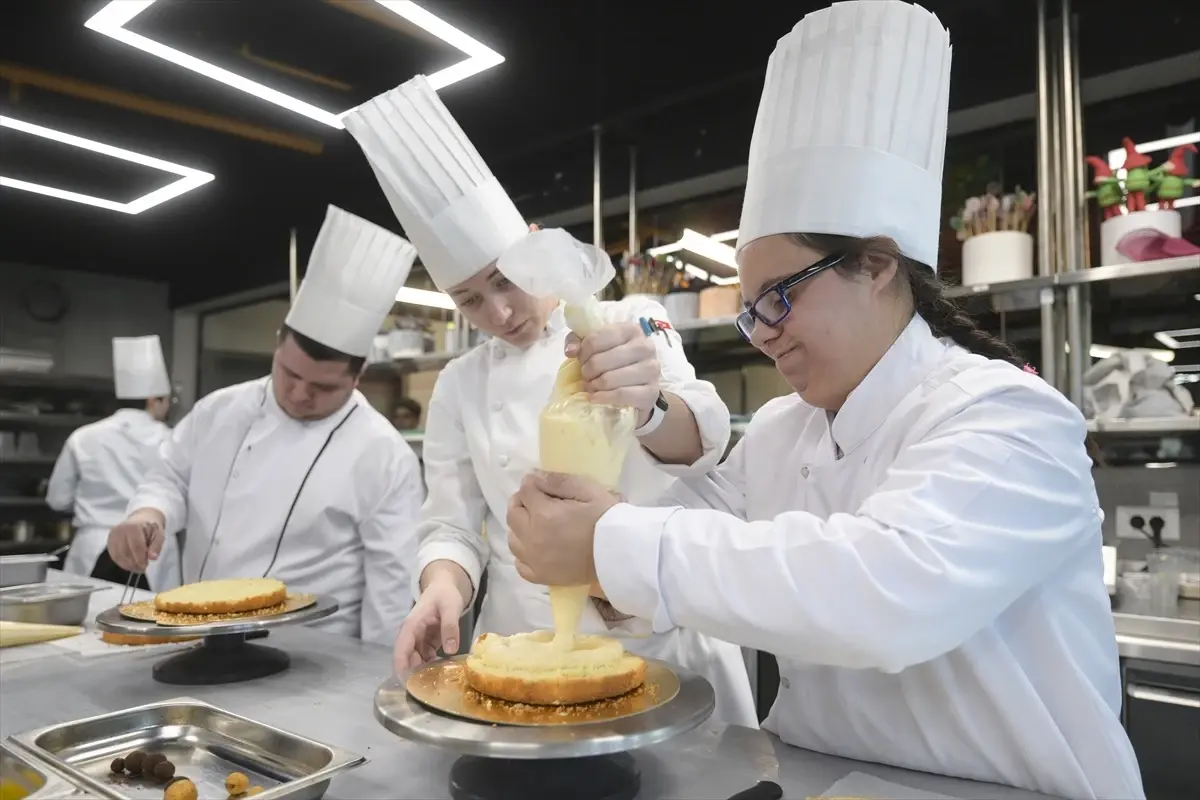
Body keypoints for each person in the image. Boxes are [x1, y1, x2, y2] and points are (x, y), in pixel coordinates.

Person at [503, 3, 1144, 798]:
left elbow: (889, 591)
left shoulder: (1007, 414)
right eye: (751, 309)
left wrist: (612, 544)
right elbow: (695, 550)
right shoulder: (780, 430)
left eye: (780, 298)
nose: (763, 334)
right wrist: (607, 490)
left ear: (876, 264)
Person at [343, 76, 758, 727]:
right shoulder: (460, 384)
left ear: (536, 243)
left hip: (655, 637)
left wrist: (646, 404)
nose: (500, 311)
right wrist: (442, 589)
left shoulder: (626, 321)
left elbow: (703, 445)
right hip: (526, 654)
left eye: (504, 280)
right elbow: (452, 523)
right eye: (470, 299)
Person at [106, 206, 425, 644]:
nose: (299, 394)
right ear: (277, 344)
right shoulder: (219, 410)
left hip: (311, 660)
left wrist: (372, 678)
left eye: (322, 387)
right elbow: (171, 478)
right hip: (195, 634)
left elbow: (392, 587)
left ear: (358, 374)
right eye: (289, 374)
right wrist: (148, 514)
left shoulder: (384, 454)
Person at [47, 335, 177, 590]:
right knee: (156, 621)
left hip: (93, 544)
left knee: (85, 620)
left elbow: (57, 499)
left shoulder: (83, 437)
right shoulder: (172, 439)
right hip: (153, 551)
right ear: (154, 400)